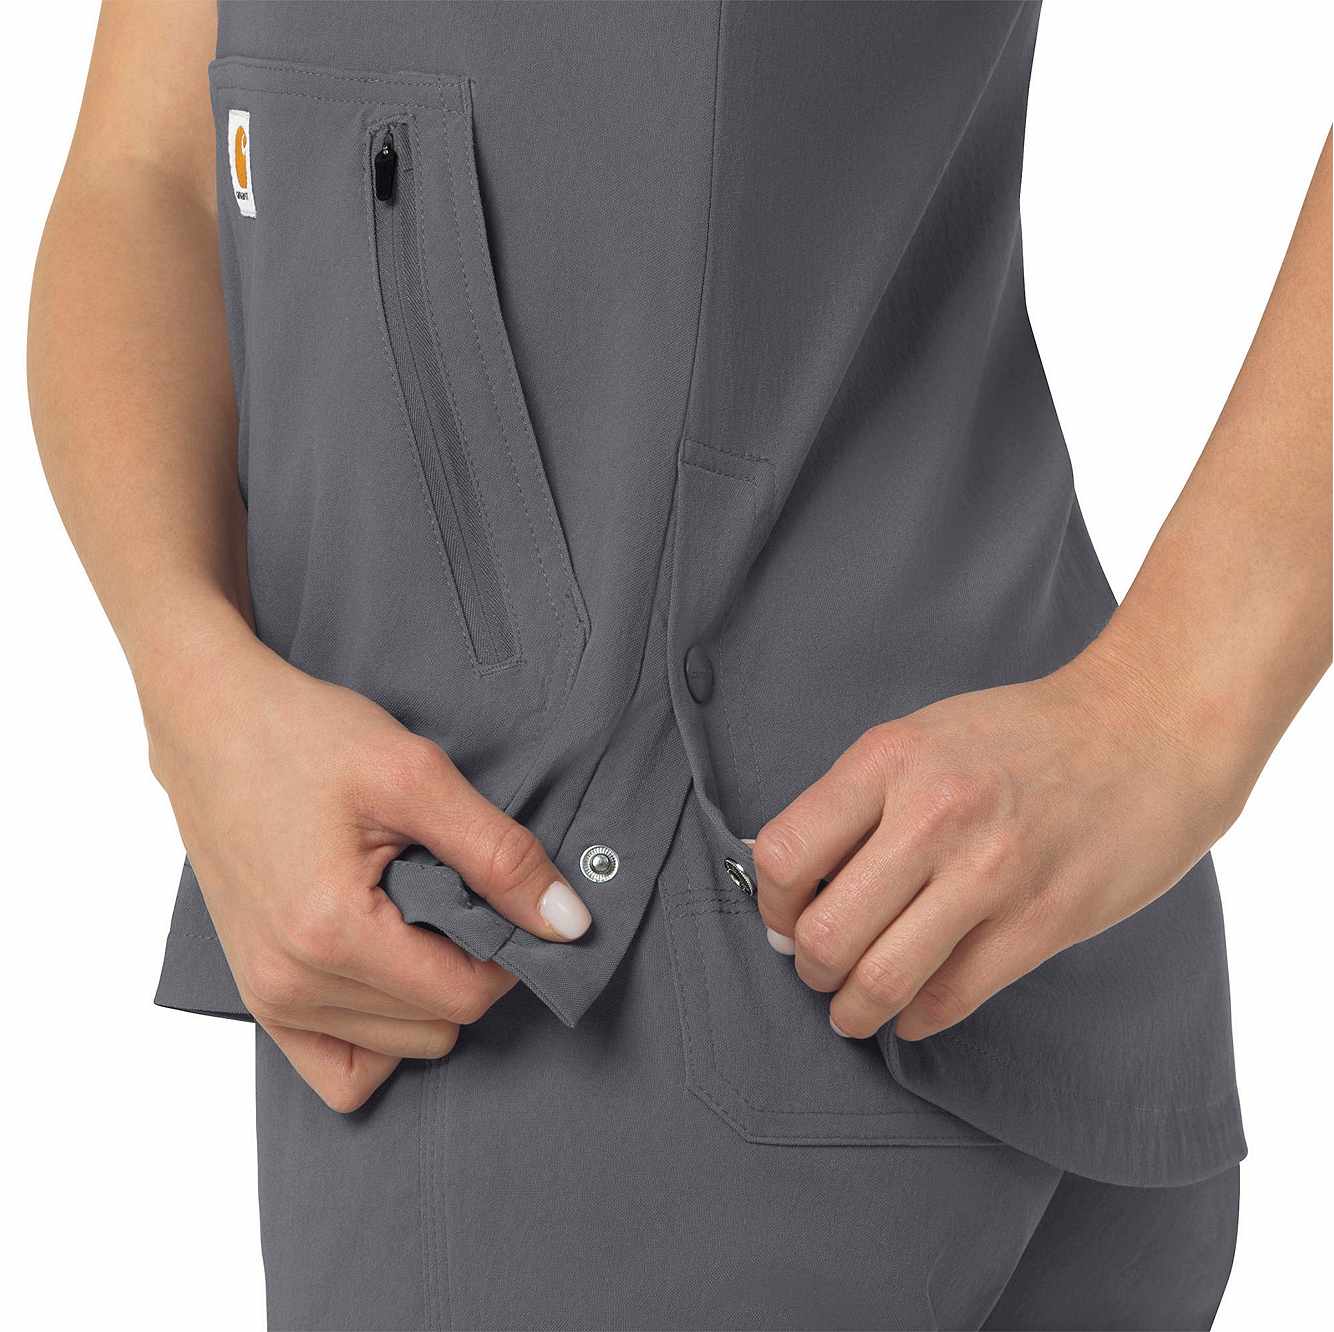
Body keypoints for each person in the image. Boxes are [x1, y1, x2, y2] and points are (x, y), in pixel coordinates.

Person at [28, 2, 1330, 1329]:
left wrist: (1171, 717)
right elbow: (150, 171)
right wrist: (190, 683)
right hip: (862, 926)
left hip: (616, 1006)